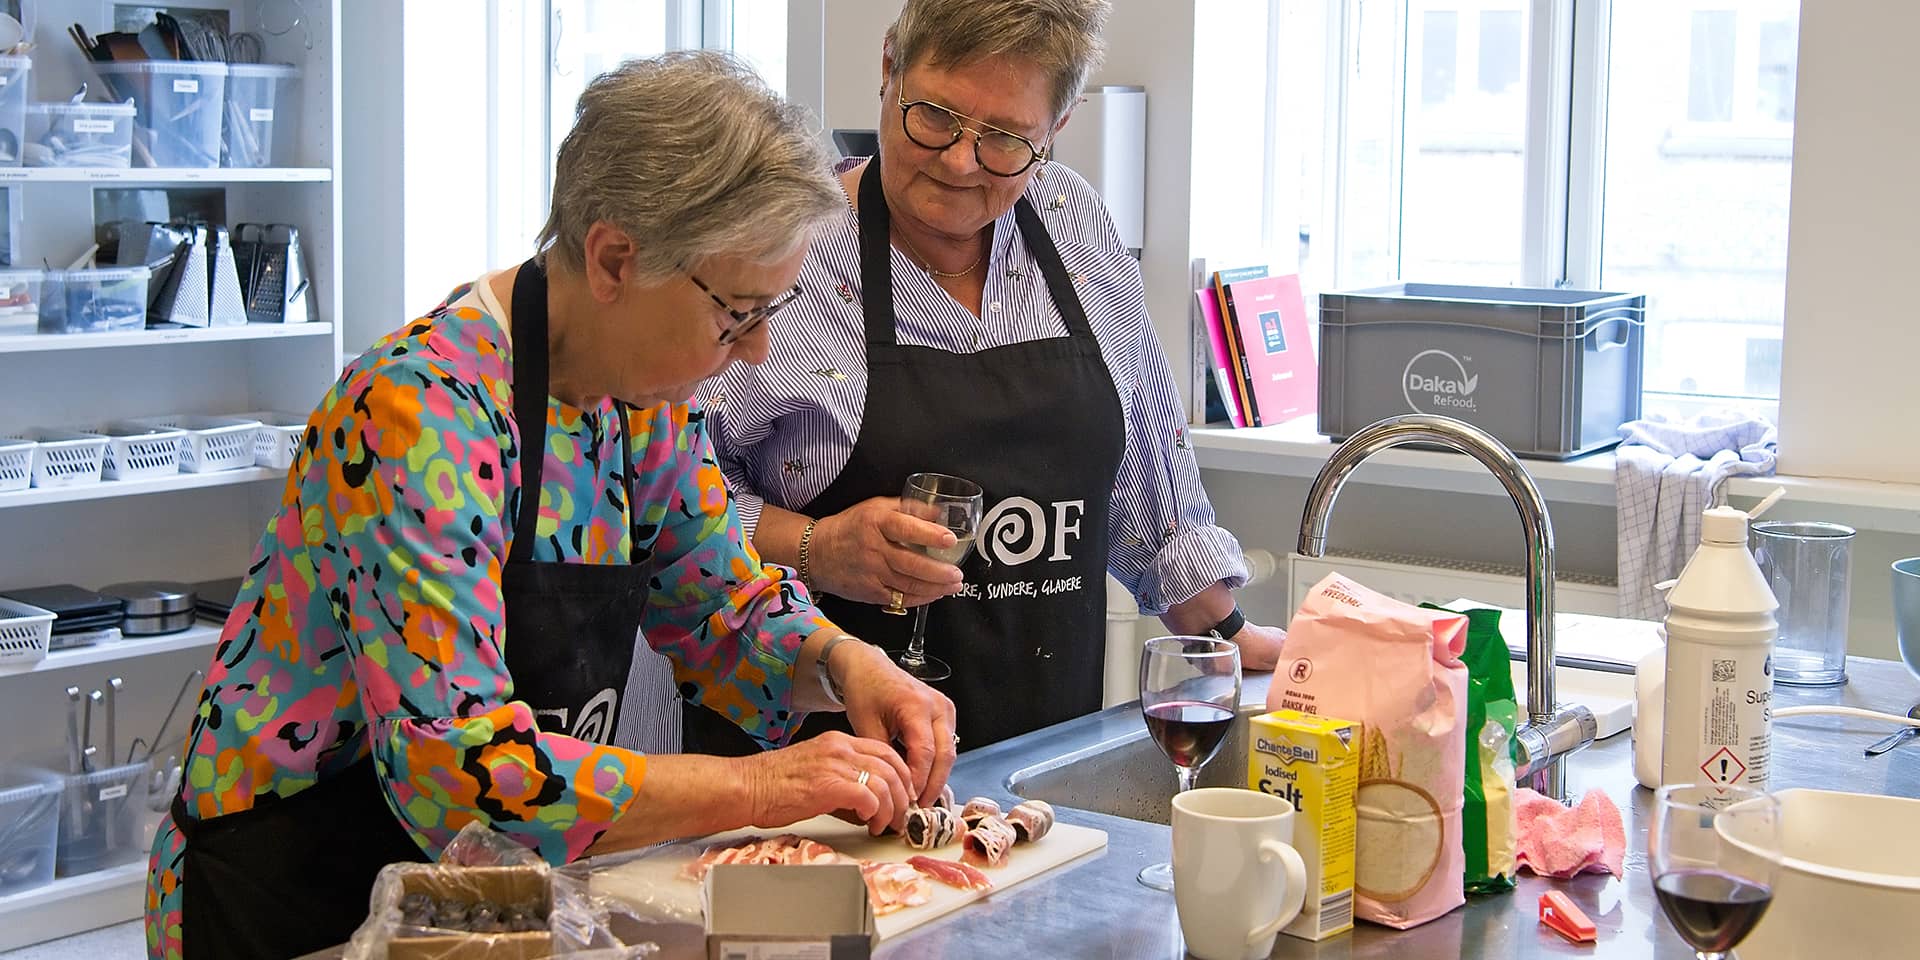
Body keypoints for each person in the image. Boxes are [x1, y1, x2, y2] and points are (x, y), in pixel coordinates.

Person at [144, 52, 955, 960]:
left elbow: (721, 609)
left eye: (775, 308)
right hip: (294, 889)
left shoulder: (645, 404)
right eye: (736, 313)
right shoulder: (418, 416)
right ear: (615, 258)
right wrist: (766, 788)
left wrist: (847, 664)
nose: (760, 350)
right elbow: (459, 772)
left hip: (484, 903)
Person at [705, 0, 1285, 750]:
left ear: (1057, 129)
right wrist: (817, 544)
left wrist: (1229, 634)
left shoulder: (1076, 227)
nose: (958, 162)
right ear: (889, 68)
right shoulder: (787, 252)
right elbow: (668, 502)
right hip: (824, 768)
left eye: (1006, 139)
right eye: (936, 117)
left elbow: (1145, 490)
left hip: (1036, 764)